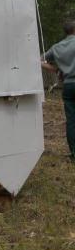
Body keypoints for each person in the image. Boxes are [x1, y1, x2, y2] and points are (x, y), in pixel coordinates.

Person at [42, 20, 75, 161]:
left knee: (71, 121)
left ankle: (74, 154)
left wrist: (56, 69)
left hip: (68, 85)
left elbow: (40, 60)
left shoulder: (57, 47)